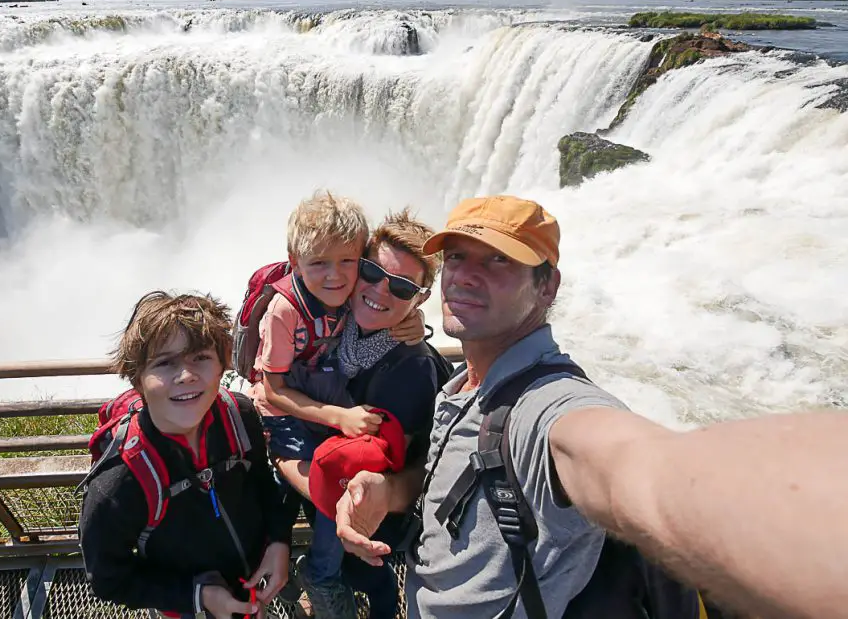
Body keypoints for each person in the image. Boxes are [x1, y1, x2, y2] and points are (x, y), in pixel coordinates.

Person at [335, 195, 848, 619]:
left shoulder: (549, 406)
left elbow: (633, 465)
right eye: (458, 257)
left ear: (547, 286)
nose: (466, 276)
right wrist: (393, 488)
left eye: (498, 261)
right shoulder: (462, 387)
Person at [245, 192, 424, 619]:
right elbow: (273, 391)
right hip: (286, 415)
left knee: (334, 492)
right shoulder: (283, 311)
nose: (336, 275)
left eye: (348, 261)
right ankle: (319, 576)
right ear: (295, 259)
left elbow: (385, 299)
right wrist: (340, 418)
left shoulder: (351, 295)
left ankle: (308, 573)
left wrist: (412, 317)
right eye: (320, 263)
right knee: (329, 505)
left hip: (324, 409)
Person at [275, 208, 452, 619]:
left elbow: (376, 474)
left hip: (361, 510)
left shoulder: (409, 369)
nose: (380, 291)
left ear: (421, 299)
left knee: (365, 575)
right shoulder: (333, 321)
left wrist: (284, 460)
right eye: (372, 272)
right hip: (314, 474)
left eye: (404, 288)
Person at [79, 291, 294, 619]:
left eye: (201, 357)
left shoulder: (240, 416)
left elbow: (263, 483)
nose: (186, 375)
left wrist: (279, 541)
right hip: (186, 604)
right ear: (137, 379)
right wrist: (198, 597)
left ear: (223, 365)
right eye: (165, 363)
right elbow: (108, 580)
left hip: (252, 575)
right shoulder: (119, 482)